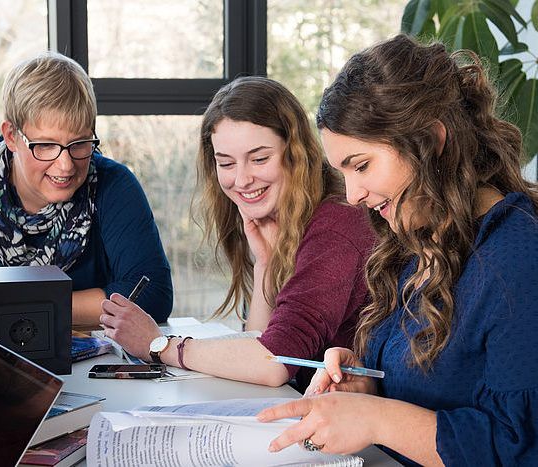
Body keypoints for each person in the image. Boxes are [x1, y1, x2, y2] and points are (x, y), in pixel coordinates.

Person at [257, 34, 538, 466]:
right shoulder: (419, 235)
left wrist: (377, 419)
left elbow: (521, 447)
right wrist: (364, 382)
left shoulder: (519, 260)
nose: (352, 195)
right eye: (342, 172)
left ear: (431, 140)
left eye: (362, 165)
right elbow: (429, 390)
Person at [99, 76, 375, 390]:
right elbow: (259, 339)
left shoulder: (337, 225)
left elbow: (273, 362)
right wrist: (266, 265)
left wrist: (158, 344)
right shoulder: (285, 222)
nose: (241, 180)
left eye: (259, 159)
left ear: (296, 153)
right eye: (226, 163)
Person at [0, 52, 173, 330]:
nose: (65, 165)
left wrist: (0, 309)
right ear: (12, 136)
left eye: (80, 143)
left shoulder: (115, 184)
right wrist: (57, 306)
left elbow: (151, 295)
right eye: (46, 146)